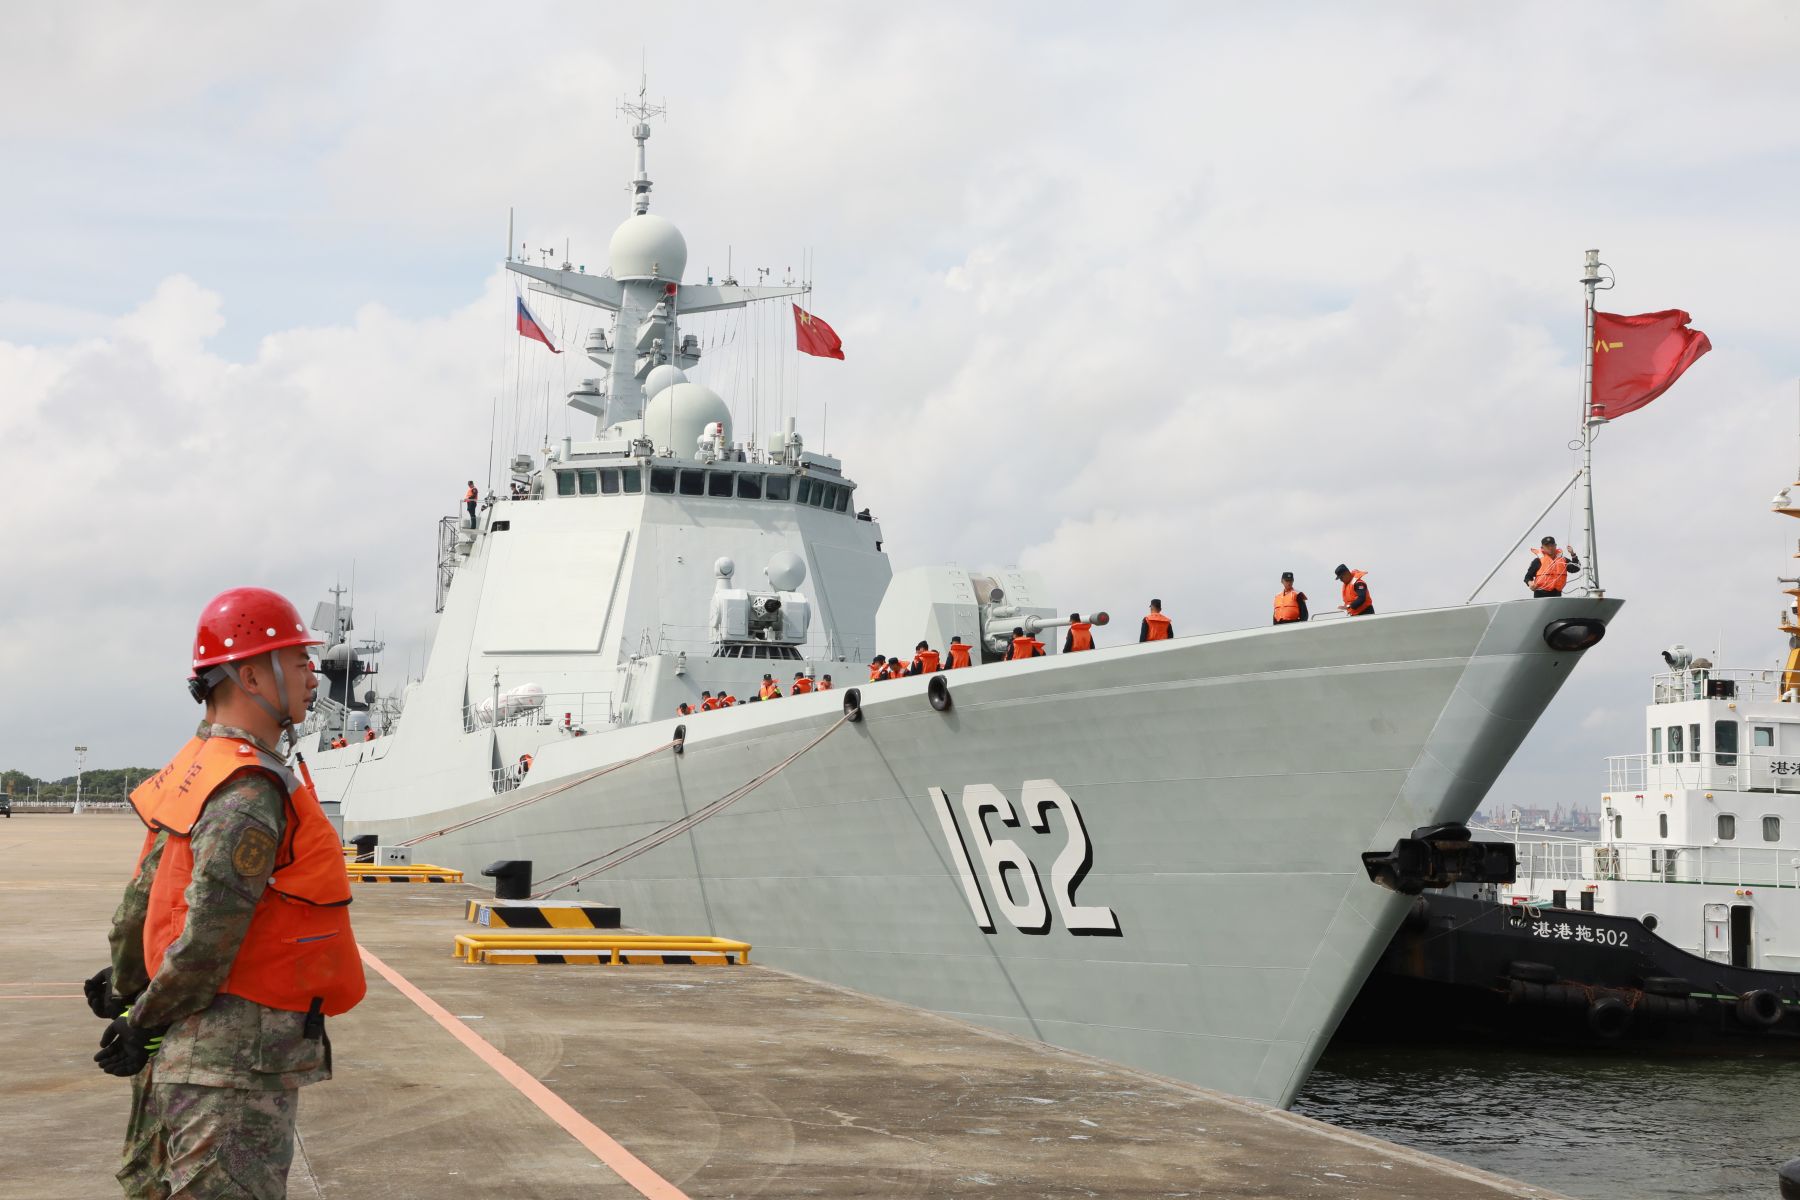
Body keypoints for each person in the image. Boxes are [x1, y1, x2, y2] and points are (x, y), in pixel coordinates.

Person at [101, 587, 366, 1198]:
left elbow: (143, 899)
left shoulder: (202, 766)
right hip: (231, 1062)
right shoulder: (248, 789)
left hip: (195, 1050)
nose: (311, 673)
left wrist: (126, 987)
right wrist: (140, 1019)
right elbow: (209, 935)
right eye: (297, 660)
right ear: (251, 674)